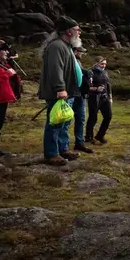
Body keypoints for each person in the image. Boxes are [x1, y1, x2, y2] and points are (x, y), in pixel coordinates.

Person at [38, 16, 84, 166]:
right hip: (59, 92)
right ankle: (51, 154)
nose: (80, 32)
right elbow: (55, 69)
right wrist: (60, 88)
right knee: (55, 122)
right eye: (77, 29)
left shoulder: (66, 46)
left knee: (64, 121)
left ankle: (63, 149)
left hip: (68, 91)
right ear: (69, 31)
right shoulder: (57, 46)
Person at [71, 46, 93, 153]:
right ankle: (63, 146)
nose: (82, 54)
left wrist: (85, 72)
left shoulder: (78, 62)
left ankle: (79, 143)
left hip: (80, 95)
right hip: (72, 94)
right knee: (66, 120)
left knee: (81, 119)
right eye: (81, 52)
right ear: (75, 52)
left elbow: (80, 72)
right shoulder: (70, 60)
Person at [85, 56, 113, 144]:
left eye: (105, 64)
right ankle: (89, 137)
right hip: (94, 97)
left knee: (108, 116)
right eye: (102, 63)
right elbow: (87, 87)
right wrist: (96, 89)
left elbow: (108, 85)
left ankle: (100, 135)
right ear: (96, 63)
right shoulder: (90, 72)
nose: (103, 65)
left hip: (104, 97)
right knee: (93, 117)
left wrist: (110, 97)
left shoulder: (105, 73)